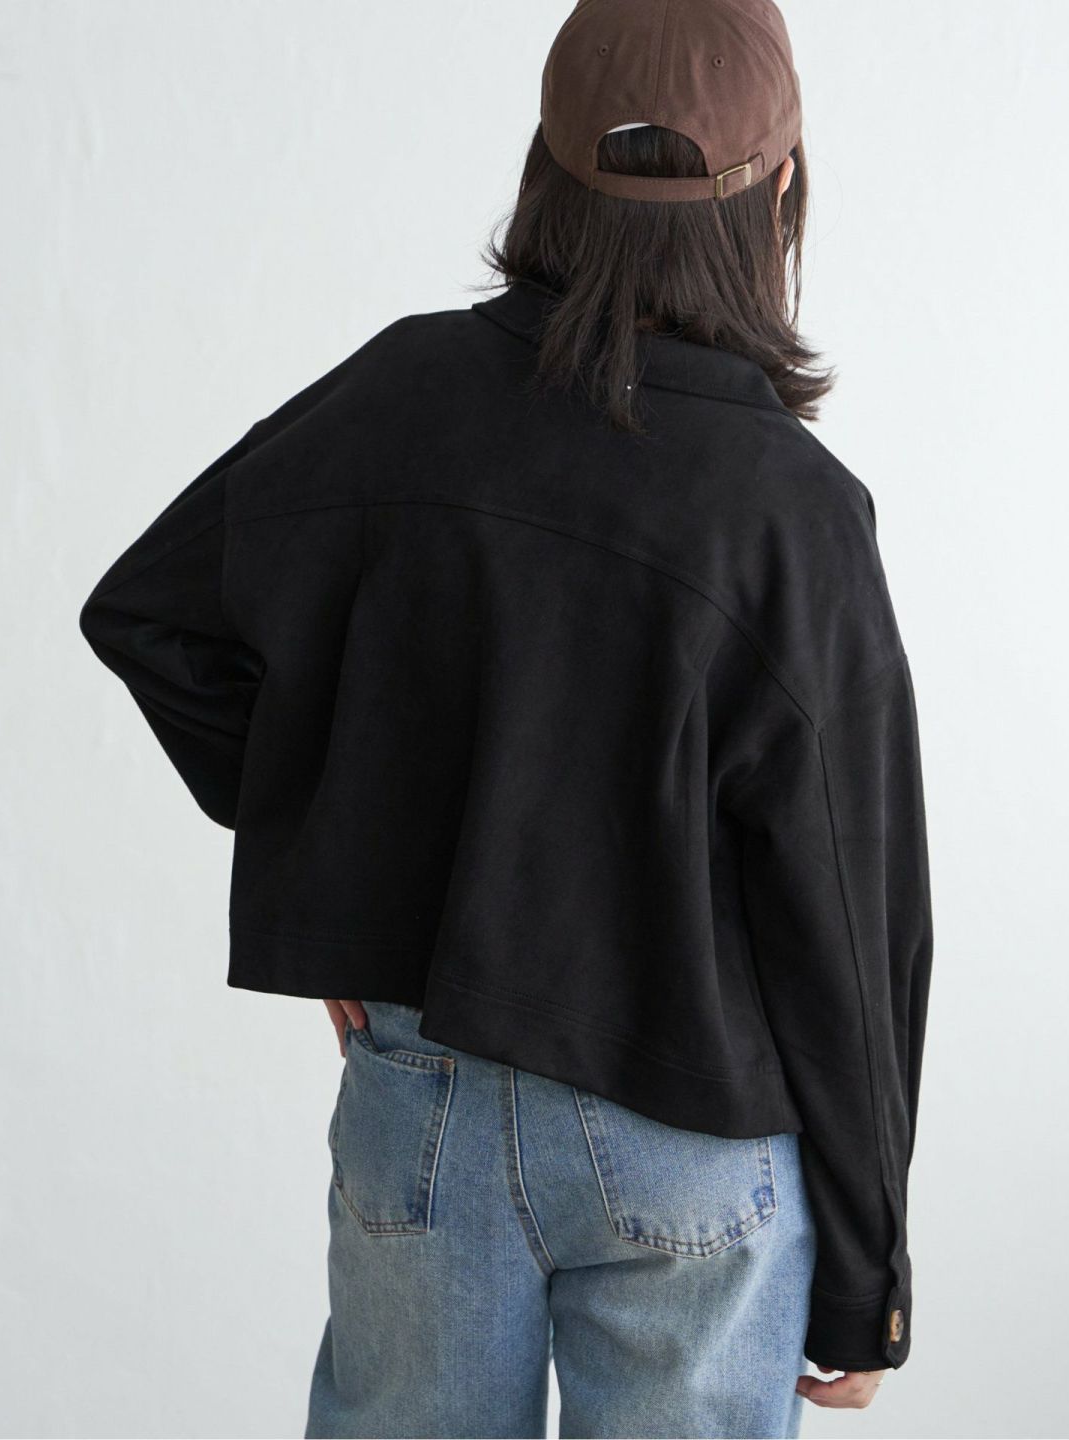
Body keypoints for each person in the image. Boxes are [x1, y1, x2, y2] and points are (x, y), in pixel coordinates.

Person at [77, 1, 934, 1436]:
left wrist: (347, 880)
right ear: (782, 190)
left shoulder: (403, 392)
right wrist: (869, 1280)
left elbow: (155, 614)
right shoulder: (791, 511)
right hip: (693, 1139)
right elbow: (851, 922)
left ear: (544, 170)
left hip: (427, 1097)